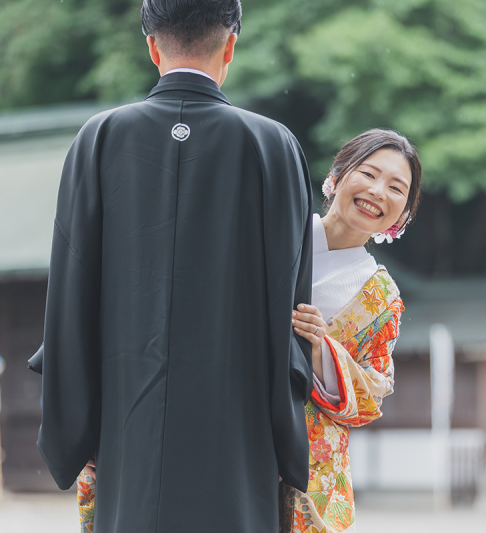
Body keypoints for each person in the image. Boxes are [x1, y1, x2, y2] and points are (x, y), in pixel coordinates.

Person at [31, 1, 315, 531]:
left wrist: (80, 426)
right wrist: (285, 438)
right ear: (230, 45)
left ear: (152, 46)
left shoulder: (98, 139)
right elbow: (292, 312)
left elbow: (70, 297)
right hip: (238, 439)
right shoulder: (274, 146)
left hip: (128, 435)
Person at [282, 129, 422, 533]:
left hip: (310, 458)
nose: (379, 191)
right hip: (234, 424)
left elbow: (374, 391)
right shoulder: (273, 236)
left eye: (397, 188)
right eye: (369, 174)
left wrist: (320, 350)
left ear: (403, 214)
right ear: (338, 175)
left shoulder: (382, 297)